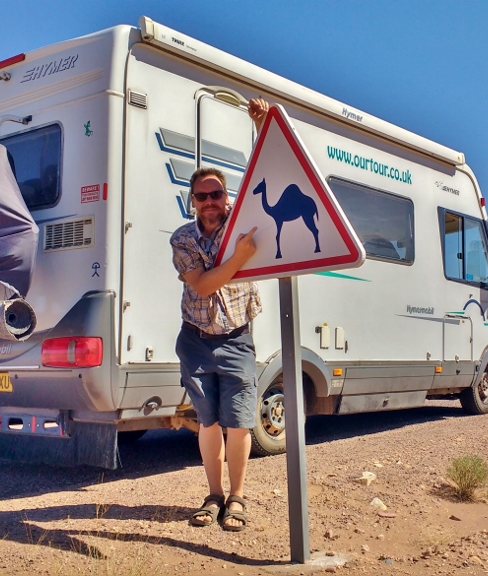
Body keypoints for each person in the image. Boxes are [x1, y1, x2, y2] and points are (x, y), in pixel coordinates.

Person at [171, 98, 270, 531]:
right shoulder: (182, 238)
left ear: (226, 197)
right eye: (201, 196)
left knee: (239, 422)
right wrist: (241, 257)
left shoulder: (242, 221)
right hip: (195, 338)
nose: (210, 201)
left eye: (216, 194)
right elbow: (205, 284)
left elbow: (264, 179)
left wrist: (262, 124)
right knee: (207, 421)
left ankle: (237, 498)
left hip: (236, 336)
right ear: (192, 201)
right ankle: (212, 496)